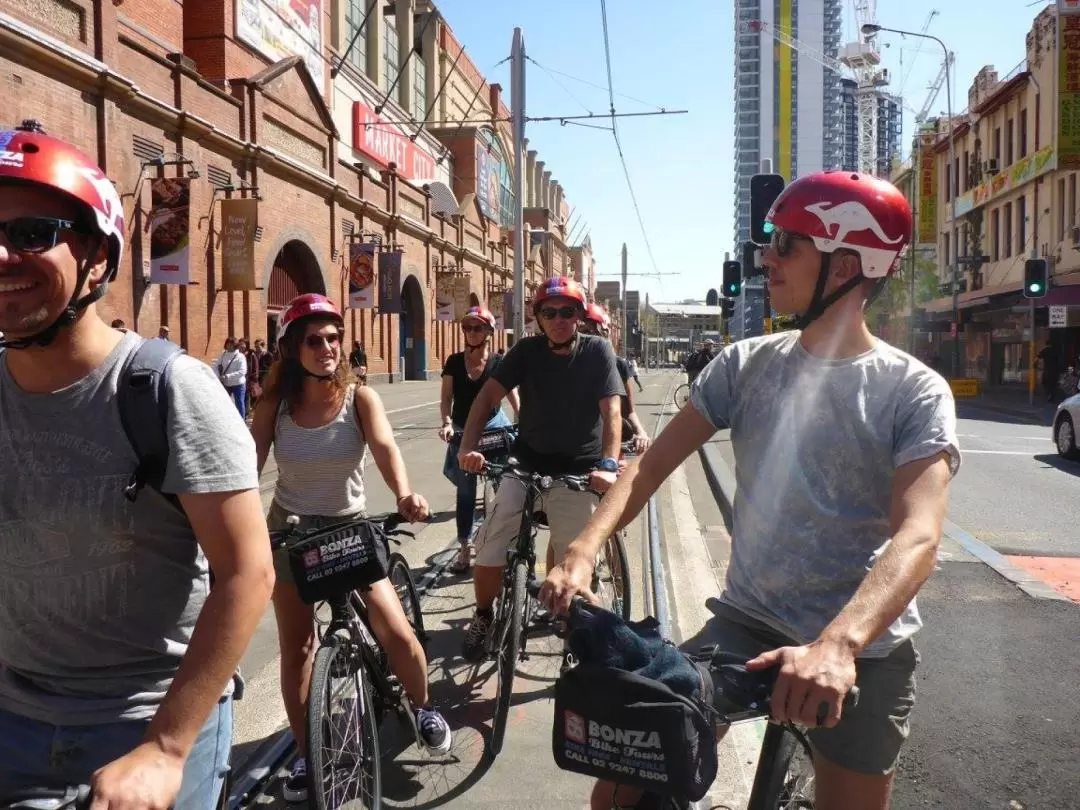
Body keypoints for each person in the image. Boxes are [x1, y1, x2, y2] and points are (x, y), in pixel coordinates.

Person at [542, 170, 959, 810]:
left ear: (846, 266)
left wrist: (841, 643)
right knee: (620, 794)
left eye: (788, 244)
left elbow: (919, 533)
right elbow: (649, 467)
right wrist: (583, 550)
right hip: (747, 622)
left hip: (861, 648)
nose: (767, 257)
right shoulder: (744, 364)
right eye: (770, 242)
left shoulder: (914, 390)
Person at [0, 121, 274, 808]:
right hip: (12, 717)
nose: (3, 253)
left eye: (33, 233)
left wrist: (166, 748)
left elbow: (247, 571)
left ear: (97, 256)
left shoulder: (165, 390)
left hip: (145, 721)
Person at [251, 294, 452, 803]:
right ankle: (304, 752)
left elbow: (385, 447)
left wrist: (405, 492)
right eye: (315, 340)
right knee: (297, 649)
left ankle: (423, 706)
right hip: (291, 533)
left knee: (396, 634)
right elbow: (246, 467)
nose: (327, 348)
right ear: (292, 347)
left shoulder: (360, 398)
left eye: (334, 338)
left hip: (347, 531)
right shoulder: (275, 406)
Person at [457, 277, 624, 660]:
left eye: (568, 311)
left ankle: (578, 647)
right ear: (538, 318)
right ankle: (483, 615)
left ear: (579, 316)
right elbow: (486, 398)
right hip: (526, 464)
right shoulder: (526, 351)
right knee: (492, 539)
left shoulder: (598, 351)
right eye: (550, 312)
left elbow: (612, 412)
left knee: (575, 562)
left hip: (579, 472)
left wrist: (609, 464)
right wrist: (467, 447)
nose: (559, 319)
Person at [438, 306, 519, 574]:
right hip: (463, 428)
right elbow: (447, 398)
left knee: (507, 482)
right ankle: (465, 545)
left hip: (494, 425)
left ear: (488, 332)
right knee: (466, 490)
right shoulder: (453, 362)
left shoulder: (499, 363)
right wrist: (447, 423)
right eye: (467, 327)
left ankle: (505, 539)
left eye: (477, 327)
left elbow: (511, 397)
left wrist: (523, 420)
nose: (471, 332)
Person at [580, 302, 650, 455]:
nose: (584, 338)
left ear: (604, 334)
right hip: (576, 448)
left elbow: (629, 412)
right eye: (580, 331)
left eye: (589, 332)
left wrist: (641, 433)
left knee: (620, 475)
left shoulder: (618, 365)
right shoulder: (566, 364)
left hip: (610, 446)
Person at [214, 335, 248, 417]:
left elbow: (242, 371)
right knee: (223, 402)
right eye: (228, 344)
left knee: (239, 402)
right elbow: (216, 366)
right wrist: (218, 375)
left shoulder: (240, 356)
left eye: (231, 344)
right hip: (225, 384)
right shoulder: (222, 355)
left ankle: (242, 421)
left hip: (238, 384)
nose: (229, 346)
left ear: (235, 346)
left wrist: (228, 376)